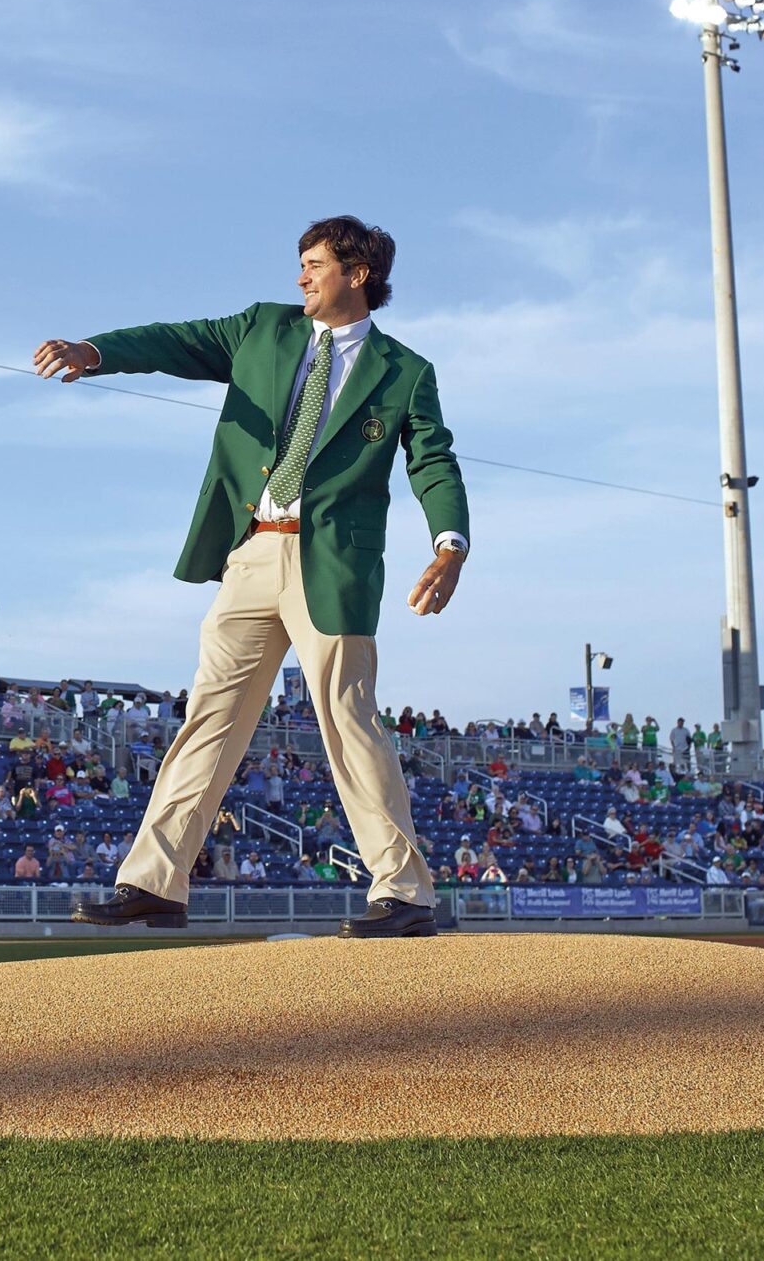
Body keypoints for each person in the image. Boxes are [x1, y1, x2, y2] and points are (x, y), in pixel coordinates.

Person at [37, 216, 466, 939]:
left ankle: (405, 890)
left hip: (333, 562)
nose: (300, 276)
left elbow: (433, 460)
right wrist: (95, 351)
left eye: (314, 264)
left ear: (357, 275)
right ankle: (154, 883)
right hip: (251, 551)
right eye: (300, 264)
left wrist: (448, 544)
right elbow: (175, 341)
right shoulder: (259, 330)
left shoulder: (405, 372)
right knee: (209, 715)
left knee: (348, 718)